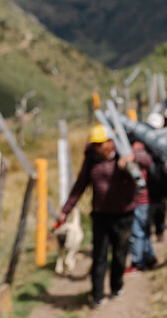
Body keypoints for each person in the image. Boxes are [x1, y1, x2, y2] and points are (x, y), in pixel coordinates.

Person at [55, 125, 151, 306]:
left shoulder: (125, 155)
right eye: (96, 144)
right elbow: (80, 186)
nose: (99, 148)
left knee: (119, 254)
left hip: (124, 215)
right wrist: (66, 210)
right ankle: (97, 295)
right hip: (100, 216)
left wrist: (132, 158)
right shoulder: (91, 160)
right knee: (99, 255)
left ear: (111, 142)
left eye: (102, 144)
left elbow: (148, 160)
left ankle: (116, 287)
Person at [128, 140, 159, 271]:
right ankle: (150, 257)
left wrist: (131, 156)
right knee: (144, 230)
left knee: (137, 232)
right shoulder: (147, 147)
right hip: (149, 199)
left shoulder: (134, 152)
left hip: (140, 200)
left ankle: (138, 262)